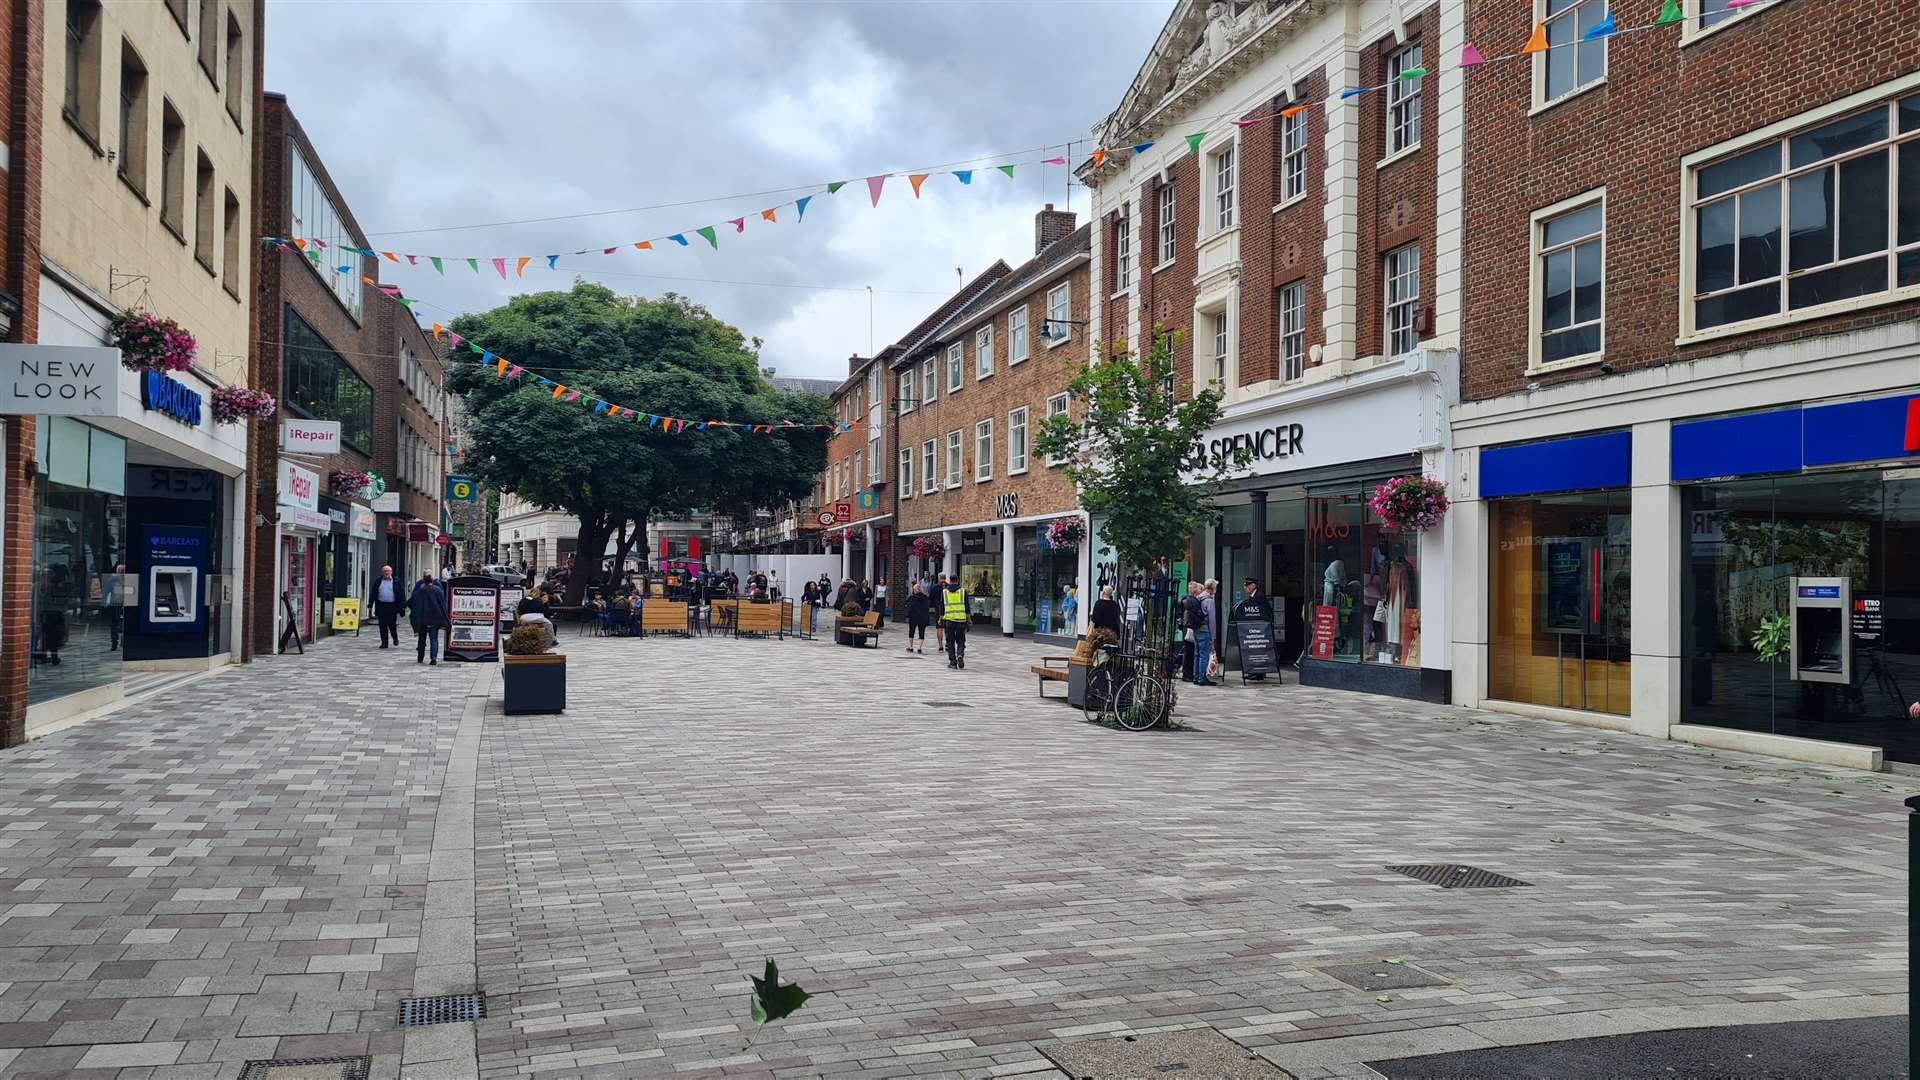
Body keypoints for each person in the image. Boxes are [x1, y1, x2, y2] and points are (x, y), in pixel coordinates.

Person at [408, 572, 449, 665]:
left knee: (422, 639)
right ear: (432, 581)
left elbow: (412, 602)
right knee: (434, 639)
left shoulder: (420, 590)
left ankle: (420, 658)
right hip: (434, 619)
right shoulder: (438, 590)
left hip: (422, 619)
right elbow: (442, 604)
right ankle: (433, 658)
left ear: (424, 581)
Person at [370, 565, 403, 648]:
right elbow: (373, 593)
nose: (386, 573)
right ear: (382, 572)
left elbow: (401, 594)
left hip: (392, 606)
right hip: (381, 606)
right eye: (385, 571)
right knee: (382, 625)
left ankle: (395, 638)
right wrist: (370, 604)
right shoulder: (378, 581)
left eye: (388, 571)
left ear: (391, 572)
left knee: (392, 625)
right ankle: (384, 643)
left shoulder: (396, 581)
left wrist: (402, 605)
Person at [1193, 581, 1218, 686]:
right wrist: (1213, 636)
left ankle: (1196, 676)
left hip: (1196, 629)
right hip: (1205, 630)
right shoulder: (1209, 600)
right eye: (1215, 588)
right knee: (1204, 655)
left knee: (1197, 654)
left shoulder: (1199, 597)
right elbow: (1212, 620)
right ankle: (1202, 678)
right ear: (1212, 588)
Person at [941, 575, 969, 669]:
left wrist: (940, 619)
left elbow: (942, 608)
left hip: (949, 621)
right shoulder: (963, 591)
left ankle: (953, 662)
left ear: (950, 580)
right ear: (957, 580)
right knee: (961, 640)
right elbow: (967, 608)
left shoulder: (944, 592)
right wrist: (969, 620)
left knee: (950, 642)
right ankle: (960, 655)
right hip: (961, 620)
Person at [905, 581, 930, 653]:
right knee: (921, 632)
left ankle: (911, 647)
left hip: (913, 617)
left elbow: (910, 608)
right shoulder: (925, 597)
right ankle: (919, 648)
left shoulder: (912, 598)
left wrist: (908, 615)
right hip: (922, 617)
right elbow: (927, 607)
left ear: (915, 590)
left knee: (911, 631)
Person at [930, 573, 949, 653]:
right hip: (949, 609)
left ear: (939, 578)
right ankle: (948, 644)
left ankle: (940, 646)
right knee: (948, 628)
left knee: (939, 627)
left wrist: (932, 607)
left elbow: (930, 598)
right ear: (945, 578)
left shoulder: (934, 587)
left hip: (938, 609)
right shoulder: (949, 587)